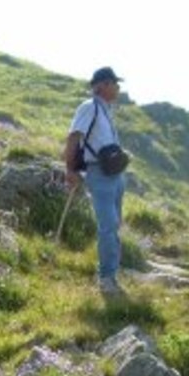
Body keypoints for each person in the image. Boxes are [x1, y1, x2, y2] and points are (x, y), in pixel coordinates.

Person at [65, 67, 127, 295]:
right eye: (114, 83)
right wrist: (70, 169)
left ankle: (112, 272)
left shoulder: (106, 110)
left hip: (115, 174)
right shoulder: (89, 107)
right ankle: (106, 278)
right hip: (99, 174)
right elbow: (73, 138)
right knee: (108, 226)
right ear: (101, 85)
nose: (118, 88)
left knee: (115, 224)